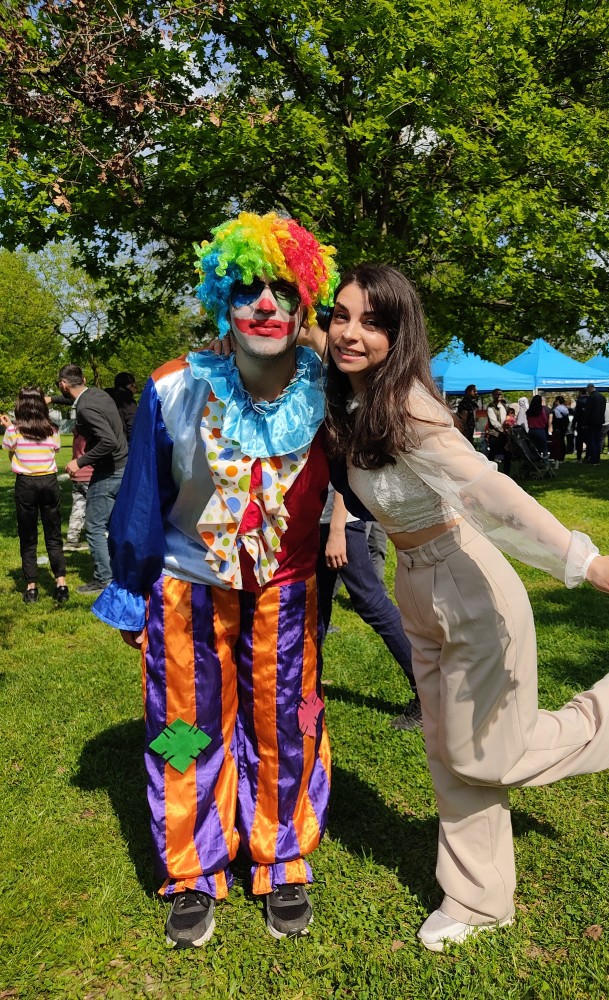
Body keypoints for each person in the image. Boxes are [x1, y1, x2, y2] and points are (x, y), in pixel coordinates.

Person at [324, 264, 609, 952]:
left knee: (481, 752)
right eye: (340, 315)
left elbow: (491, 493)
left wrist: (585, 560)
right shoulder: (351, 395)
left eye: (371, 322)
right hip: (417, 585)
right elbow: (296, 335)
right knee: (447, 750)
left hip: (469, 586)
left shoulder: (408, 409)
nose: (349, 332)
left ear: (399, 334)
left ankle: (605, 715)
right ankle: (480, 899)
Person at [91, 212, 338, 948]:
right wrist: (132, 592)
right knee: (182, 733)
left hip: (287, 592)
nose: (265, 304)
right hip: (185, 591)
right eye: (248, 288)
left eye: (282, 290)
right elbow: (139, 499)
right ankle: (193, 869)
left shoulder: (332, 389)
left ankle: (281, 857)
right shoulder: (174, 387)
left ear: (304, 305)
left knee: (284, 727)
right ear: (220, 297)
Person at [318, 486, 421, 730]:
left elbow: (340, 467)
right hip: (319, 520)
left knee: (371, 603)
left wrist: (336, 531)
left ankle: (427, 692)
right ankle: (306, 686)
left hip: (338, 523)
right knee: (315, 607)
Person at [57, 364, 128, 594]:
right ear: (84, 379)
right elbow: (76, 400)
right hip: (124, 466)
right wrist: (53, 398)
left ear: (63, 384)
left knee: (95, 526)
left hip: (108, 471)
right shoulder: (98, 394)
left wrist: (79, 461)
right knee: (115, 524)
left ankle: (103, 579)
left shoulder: (86, 408)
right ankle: (121, 572)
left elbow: (108, 442)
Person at [1, 388, 68, 604]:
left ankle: (31, 587)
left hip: (26, 484)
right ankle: (61, 583)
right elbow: (54, 451)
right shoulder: (53, 429)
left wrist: (8, 426)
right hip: (49, 481)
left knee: (28, 535)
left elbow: (10, 450)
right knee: (54, 533)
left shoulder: (14, 430)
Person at [105, 372, 138, 442]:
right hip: (121, 444)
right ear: (130, 385)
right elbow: (132, 426)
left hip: (102, 442)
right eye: (135, 386)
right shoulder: (129, 402)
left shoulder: (104, 397)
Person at [584, 383, 606, 465]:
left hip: (591, 422)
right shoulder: (602, 397)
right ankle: (597, 458)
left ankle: (593, 458)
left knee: (592, 440)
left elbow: (588, 411)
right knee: (598, 440)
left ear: (589, 388)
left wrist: (585, 422)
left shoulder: (591, 398)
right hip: (600, 421)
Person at [485, 389, 507, 462]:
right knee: (492, 453)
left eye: (500, 394)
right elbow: (493, 422)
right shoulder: (491, 407)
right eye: (497, 394)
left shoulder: (504, 406)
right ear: (493, 396)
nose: (499, 396)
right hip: (494, 434)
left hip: (504, 433)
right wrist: (502, 429)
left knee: (506, 452)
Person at [526, 394, 549, 459]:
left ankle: (535, 461)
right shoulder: (541, 410)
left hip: (531, 430)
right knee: (544, 447)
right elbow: (545, 419)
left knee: (533, 448)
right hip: (540, 430)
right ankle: (545, 462)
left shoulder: (529, 411)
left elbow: (528, 419)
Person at [549, 395, 569, 463]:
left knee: (558, 443)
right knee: (562, 442)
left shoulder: (556, 409)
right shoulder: (565, 408)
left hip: (558, 428)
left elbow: (558, 419)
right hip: (564, 428)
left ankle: (558, 457)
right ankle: (562, 457)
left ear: (557, 401)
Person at [571, 389, 588, 461]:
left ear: (580, 393)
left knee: (579, 441)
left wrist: (573, 424)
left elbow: (576, 414)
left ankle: (579, 457)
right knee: (588, 441)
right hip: (589, 423)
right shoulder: (590, 400)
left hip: (580, 423)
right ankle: (588, 455)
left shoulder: (579, 401)